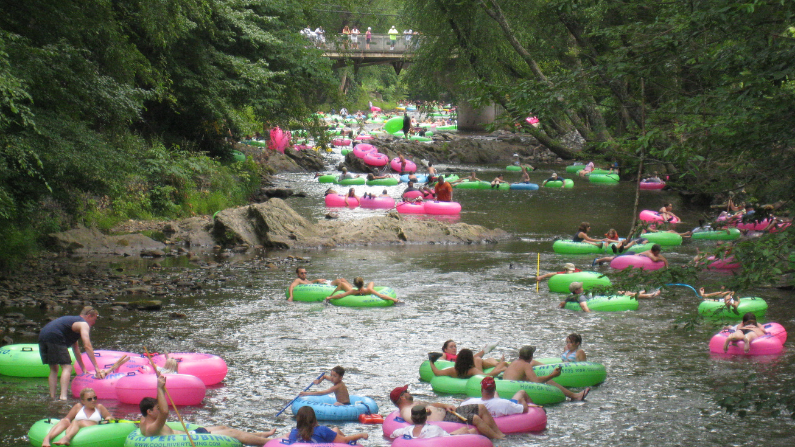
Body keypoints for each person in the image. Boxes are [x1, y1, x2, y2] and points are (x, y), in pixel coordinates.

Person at [140, 375, 276, 444]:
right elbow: (165, 412)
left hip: (190, 433)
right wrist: (159, 388)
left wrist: (162, 390)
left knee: (223, 427)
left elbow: (159, 408)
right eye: (157, 408)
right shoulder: (152, 428)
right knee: (232, 433)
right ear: (149, 412)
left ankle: (259, 435)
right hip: (192, 439)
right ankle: (272, 443)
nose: (160, 409)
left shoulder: (143, 419)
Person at [38, 306, 105, 400]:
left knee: (54, 368)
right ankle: (63, 397)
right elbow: (87, 346)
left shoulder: (71, 323)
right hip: (55, 336)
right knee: (67, 367)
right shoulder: (83, 324)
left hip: (43, 336)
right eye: (94, 319)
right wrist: (97, 368)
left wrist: (83, 368)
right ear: (89, 316)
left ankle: (52, 397)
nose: (94, 323)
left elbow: (76, 349)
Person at [390, 385, 505, 439]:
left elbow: (433, 404)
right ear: (402, 397)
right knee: (475, 418)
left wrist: (445, 406)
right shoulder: (406, 410)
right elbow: (414, 419)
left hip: (448, 412)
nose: (409, 392)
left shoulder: (413, 403)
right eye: (406, 391)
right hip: (445, 420)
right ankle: (498, 439)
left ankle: (500, 433)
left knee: (481, 407)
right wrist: (425, 412)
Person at [502, 346, 590, 401]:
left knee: (529, 379)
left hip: (504, 388)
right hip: (512, 389)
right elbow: (536, 380)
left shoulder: (514, 363)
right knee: (548, 381)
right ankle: (574, 396)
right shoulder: (526, 365)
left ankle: (574, 395)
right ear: (531, 357)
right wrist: (552, 375)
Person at [41, 388, 112, 446]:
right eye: (89, 399)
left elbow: (109, 417)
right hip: (75, 427)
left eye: (95, 398)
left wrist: (107, 419)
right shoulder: (78, 407)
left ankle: (67, 438)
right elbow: (67, 418)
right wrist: (65, 421)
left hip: (92, 429)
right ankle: (47, 438)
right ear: (83, 401)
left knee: (77, 422)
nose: (93, 400)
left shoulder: (99, 407)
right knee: (64, 421)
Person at [460, 376, 533, 418]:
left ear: (482, 389)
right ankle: (537, 408)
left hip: (494, 404)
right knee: (522, 392)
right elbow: (525, 409)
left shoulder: (470, 403)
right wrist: (522, 400)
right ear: (494, 388)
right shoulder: (505, 404)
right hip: (499, 406)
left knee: (496, 394)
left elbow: (460, 408)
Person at [391, 404, 475, 439]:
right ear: (426, 417)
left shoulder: (407, 430)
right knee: (467, 430)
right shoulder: (434, 429)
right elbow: (448, 438)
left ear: (412, 419)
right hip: (440, 440)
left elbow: (394, 434)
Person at [289, 406, 368, 443]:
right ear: (313, 418)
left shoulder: (293, 433)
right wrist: (360, 435)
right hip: (329, 438)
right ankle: (336, 431)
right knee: (335, 431)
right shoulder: (322, 430)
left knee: (335, 430)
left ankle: (336, 430)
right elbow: (344, 440)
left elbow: (283, 438)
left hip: (328, 436)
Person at [325, 276, 401, 304]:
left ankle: (330, 288)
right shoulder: (369, 290)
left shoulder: (353, 291)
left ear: (355, 285)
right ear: (363, 283)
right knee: (371, 282)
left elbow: (340, 295)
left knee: (341, 283)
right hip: (365, 291)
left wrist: (330, 297)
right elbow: (381, 296)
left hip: (356, 292)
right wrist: (394, 299)